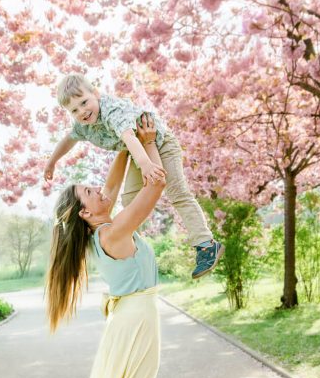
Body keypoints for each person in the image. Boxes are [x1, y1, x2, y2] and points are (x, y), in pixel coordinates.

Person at [42, 114, 167, 378]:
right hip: (135, 320)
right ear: (84, 212)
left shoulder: (104, 226)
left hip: (131, 318)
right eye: (91, 192)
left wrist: (124, 139)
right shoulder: (112, 233)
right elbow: (156, 184)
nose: (100, 190)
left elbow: (114, 179)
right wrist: (147, 147)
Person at [44, 73, 224, 280]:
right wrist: (52, 161)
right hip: (138, 152)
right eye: (74, 110)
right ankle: (131, 250)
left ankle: (206, 244)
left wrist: (146, 164)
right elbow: (69, 139)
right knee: (129, 200)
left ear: (96, 93)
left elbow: (129, 136)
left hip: (161, 143)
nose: (82, 111)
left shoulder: (111, 109)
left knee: (177, 193)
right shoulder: (82, 125)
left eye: (84, 102)